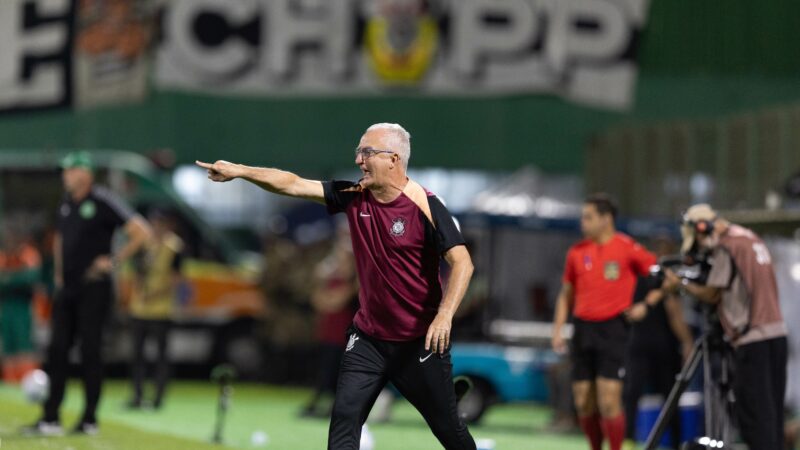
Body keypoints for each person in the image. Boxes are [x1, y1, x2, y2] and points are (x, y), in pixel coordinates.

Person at [197, 122, 476, 449]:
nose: (359, 159)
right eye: (359, 151)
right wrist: (241, 171)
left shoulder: (427, 205)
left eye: (367, 152)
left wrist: (444, 316)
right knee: (344, 418)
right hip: (369, 339)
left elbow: (463, 263)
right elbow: (293, 184)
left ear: (393, 159)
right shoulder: (353, 196)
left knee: (450, 432)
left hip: (418, 343)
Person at [24, 151, 151, 436]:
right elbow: (60, 238)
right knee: (57, 351)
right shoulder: (66, 204)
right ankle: (50, 418)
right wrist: (58, 273)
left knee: (90, 352)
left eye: (70, 171)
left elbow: (141, 231)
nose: (65, 176)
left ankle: (89, 419)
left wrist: (114, 262)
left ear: (86, 174)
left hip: (94, 287)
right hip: (67, 289)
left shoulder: (103, 201)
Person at [661, 204, 787, 450]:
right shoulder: (749, 237)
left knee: (755, 417)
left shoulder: (727, 246)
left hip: (752, 339)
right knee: (772, 416)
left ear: (701, 228)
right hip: (776, 334)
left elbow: (712, 294)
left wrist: (681, 283)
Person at [551, 194, 656, 450]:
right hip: (582, 329)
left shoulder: (627, 247)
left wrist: (646, 305)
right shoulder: (576, 252)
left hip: (613, 329)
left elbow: (664, 278)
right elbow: (566, 295)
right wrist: (558, 330)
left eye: (588, 217)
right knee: (583, 401)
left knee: (609, 400)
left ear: (606, 219)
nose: (582, 223)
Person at [622, 237, 694, 449]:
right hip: (662, 347)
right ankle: (675, 443)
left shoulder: (637, 276)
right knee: (669, 397)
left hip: (638, 343)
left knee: (631, 394)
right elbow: (674, 314)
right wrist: (688, 341)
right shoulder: (667, 279)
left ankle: (627, 440)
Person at [127, 209, 184, 410]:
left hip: (161, 309)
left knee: (160, 356)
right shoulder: (146, 243)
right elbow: (137, 270)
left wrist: (155, 295)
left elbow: (176, 279)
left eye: (161, 223)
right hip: (140, 307)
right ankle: (137, 395)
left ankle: (158, 398)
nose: (157, 227)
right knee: (137, 355)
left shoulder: (174, 246)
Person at [300, 221, 358, 418]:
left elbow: (339, 300)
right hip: (330, 328)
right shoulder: (331, 263)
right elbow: (318, 298)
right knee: (327, 367)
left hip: (346, 328)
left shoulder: (355, 263)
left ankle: (333, 406)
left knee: (339, 370)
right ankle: (323, 403)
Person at [0, 217, 43, 383]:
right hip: (6, 306)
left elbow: (30, 278)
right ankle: (10, 381)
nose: (10, 239)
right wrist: (13, 279)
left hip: (24, 306)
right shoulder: (3, 256)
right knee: (8, 346)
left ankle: (28, 380)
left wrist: (9, 279)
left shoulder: (28, 254)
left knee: (24, 344)